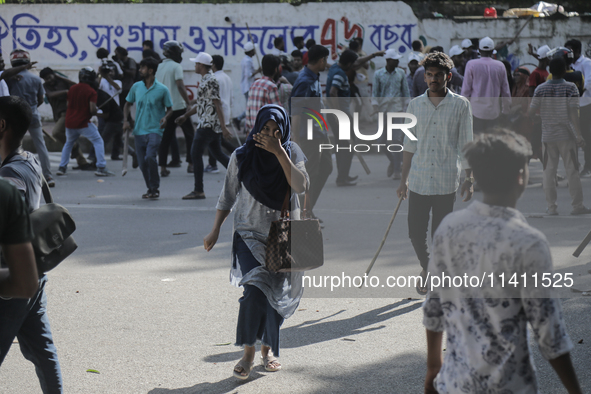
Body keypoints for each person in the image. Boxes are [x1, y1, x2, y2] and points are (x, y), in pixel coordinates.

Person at [423, 130, 583, 394]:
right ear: (521, 175)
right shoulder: (528, 243)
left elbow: (434, 306)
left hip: (454, 383)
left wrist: (433, 367)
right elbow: (549, 332)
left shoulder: (449, 228)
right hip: (509, 385)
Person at [203, 104, 308, 380]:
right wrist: (215, 230)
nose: (271, 135)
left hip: (283, 235)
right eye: (266, 130)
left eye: (277, 131)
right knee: (254, 291)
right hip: (249, 236)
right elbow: (227, 197)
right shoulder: (241, 156)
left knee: (274, 295)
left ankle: (268, 349)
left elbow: (301, 185)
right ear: (256, 128)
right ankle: (248, 351)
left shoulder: (291, 151)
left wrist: (279, 151)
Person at [0, 95, 63, 393]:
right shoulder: (29, 160)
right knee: (42, 352)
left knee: (42, 352)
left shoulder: (9, 174)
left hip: (11, 281)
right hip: (35, 271)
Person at [396, 52, 473, 295]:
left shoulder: (461, 105)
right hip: (418, 179)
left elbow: (466, 144)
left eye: (438, 75)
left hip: (446, 181)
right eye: (429, 75)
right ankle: (429, 268)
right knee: (414, 233)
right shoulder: (415, 105)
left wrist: (469, 179)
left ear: (448, 76)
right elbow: (409, 145)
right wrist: (403, 180)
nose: (433, 79)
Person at [529, 57, 591, 216]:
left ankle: (551, 207)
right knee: (572, 170)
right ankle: (577, 206)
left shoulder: (540, 89)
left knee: (548, 172)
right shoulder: (571, 88)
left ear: (550, 71)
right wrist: (578, 135)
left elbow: (531, 112)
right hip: (567, 136)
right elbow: (574, 114)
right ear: (565, 70)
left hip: (548, 136)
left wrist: (539, 117)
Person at [176, 52, 231, 200]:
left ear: (201, 65)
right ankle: (241, 176)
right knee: (218, 153)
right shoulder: (206, 80)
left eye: (196, 64)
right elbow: (202, 104)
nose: (194, 66)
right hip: (209, 123)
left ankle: (198, 190)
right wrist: (185, 116)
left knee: (195, 154)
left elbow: (217, 103)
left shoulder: (210, 81)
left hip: (208, 124)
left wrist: (224, 127)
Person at [290, 44, 331, 219]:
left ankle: (308, 208)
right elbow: (296, 112)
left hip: (320, 133)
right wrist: (296, 140)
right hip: (309, 136)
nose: (326, 63)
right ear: (321, 60)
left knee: (326, 168)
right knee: (309, 175)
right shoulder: (304, 81)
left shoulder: (313, 77)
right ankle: (304, 213)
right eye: (326, 60)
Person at [124, 57, 173, 199]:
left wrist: (165, 118)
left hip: (155, 130)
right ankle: (150, 188)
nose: (140, 70)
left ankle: (155, 187)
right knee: (142, 163)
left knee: (150, 156)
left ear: (150, 71)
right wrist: (125, 121)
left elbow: (170, 109)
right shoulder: (136, 87)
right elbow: (127, 104)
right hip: (139, 130)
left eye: (142, 68)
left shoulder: (162, 89)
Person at [4, 49, 55, 187]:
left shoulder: (8, 78)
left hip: (14, 116)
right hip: (32, 114)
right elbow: (39, 100)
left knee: (11, 146)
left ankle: (12, 175)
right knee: (40, 145)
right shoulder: (36, 78)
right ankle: (48, 176)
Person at [57, 67, 115, 178]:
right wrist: (97, 111)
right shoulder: (91, 91)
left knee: (68, 143)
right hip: (83, 122)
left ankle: (62, 167)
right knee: (98, 141)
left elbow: (68, 105)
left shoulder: (72, 89)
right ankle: (101, 167)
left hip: (70, 122)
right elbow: (92, 110)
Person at [40, 67, 93, 170]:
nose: (49, 80)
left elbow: (75, 85)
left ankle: (74, 148)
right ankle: (82, 162)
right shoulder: (45, 86)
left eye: (50, 77)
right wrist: (65, 92)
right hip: (57, 115)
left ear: (54, 74)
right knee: (69, 138)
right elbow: (50, 95)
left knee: (56, 133)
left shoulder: (62, 82)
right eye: (46, 79)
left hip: (67, 113)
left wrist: (59, 77)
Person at [155, 41, 195, 177]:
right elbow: (180, 86)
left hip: (165, 108)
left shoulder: (159, 66)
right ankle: (191, 164)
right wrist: (188, 102)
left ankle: (163, 168)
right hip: (178, 107)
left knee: (165, 138)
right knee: (190, 135)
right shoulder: (176, 66)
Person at [371, 49, 410, 181]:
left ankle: (397, 170)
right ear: (388, 61)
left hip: (397, 110)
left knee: (396, 140)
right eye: (395, 59)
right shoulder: (378, 74)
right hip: (383, 111)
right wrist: (375, 105)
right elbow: (375, 93)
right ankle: (394, 161)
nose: (398, 61)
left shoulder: (401, 73)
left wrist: (407, 107)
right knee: (380, 141)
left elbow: (405, 92)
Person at [461, 37, 511, 133]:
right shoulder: (500, 66)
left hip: (475, 113)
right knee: (492, 144)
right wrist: (505, 111)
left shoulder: (471, 64)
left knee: (477, 143)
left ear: (479, 50)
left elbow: (466, 91)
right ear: (492, 51)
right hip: (494, 113)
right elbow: (506, 92)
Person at [205, 54, 236, 174]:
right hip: (225, 111)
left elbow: (214, 100)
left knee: (214, 138)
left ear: (213, 65)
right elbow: (231, 97)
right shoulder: (227, 77)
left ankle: (213, 164)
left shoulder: (214, 79)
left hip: (218, 112)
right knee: (217, 139)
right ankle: (236, 154)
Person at [565, 39, 591, 177]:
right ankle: (576, 165)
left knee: (585, 135)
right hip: (571, 106)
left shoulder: (586, 63)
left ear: (577, 50)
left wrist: (575, 91)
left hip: (584, 104)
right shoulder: (568, 65)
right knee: (571, 136)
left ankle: (588, 166)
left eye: (570, 51)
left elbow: (588, 82)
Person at [245, 55, 290, 132]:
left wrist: (249, 130)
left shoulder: (254, 84)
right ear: (276, 69)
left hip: (254, 132)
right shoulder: (271, 87)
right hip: (266, 135)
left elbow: (248, 110)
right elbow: (278, 114)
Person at [233, 42, 259, 131]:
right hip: (248, 87)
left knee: (250, 107)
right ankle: (239, 119)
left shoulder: (246, 59)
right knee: (250, 107)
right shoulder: (248, 61)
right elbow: (249, 75)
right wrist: (258, 71)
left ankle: (244, 125)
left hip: (247, 86)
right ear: (251, 51)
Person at [113, 47, 138, 112]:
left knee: (127, 106)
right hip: (121, 88)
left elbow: (133, 73)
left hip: (128, 87)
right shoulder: (118, 62)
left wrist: (122, 69)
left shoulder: (130, 61)